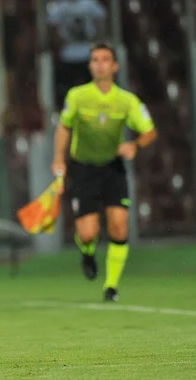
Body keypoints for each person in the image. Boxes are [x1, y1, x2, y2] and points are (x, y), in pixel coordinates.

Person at [51, 41, 157, 302]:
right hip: (83, 168)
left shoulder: (127, 100)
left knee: (119, 228)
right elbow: (64, 127)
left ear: (115, 66)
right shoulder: (77, 95)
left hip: (112, 168)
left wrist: (135, 145)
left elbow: (150, 131)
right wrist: (58, 159)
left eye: (105, 59)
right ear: (90, 66)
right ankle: (87, 252)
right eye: (95, 60)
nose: (99, 64)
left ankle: (111, 287)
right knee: (88, 234)